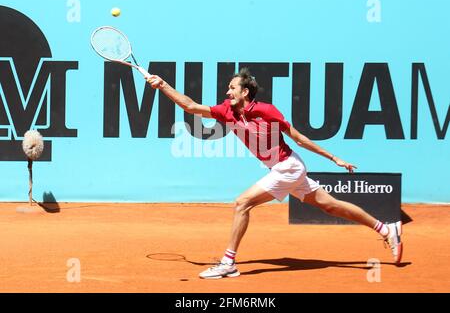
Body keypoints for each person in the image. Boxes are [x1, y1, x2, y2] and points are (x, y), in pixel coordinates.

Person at [146, 68, 403, 279]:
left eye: (232, 87)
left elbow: (299, 139)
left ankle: (228, 263)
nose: (227, 91)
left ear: (245, 92)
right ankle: (386, 229)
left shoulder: (267, 111)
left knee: (242, 203)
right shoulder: (226, 110)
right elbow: (190, 106)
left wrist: (333, 157)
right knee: (331, 206)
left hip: (287, 166)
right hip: (282, 168)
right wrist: (163, 85)